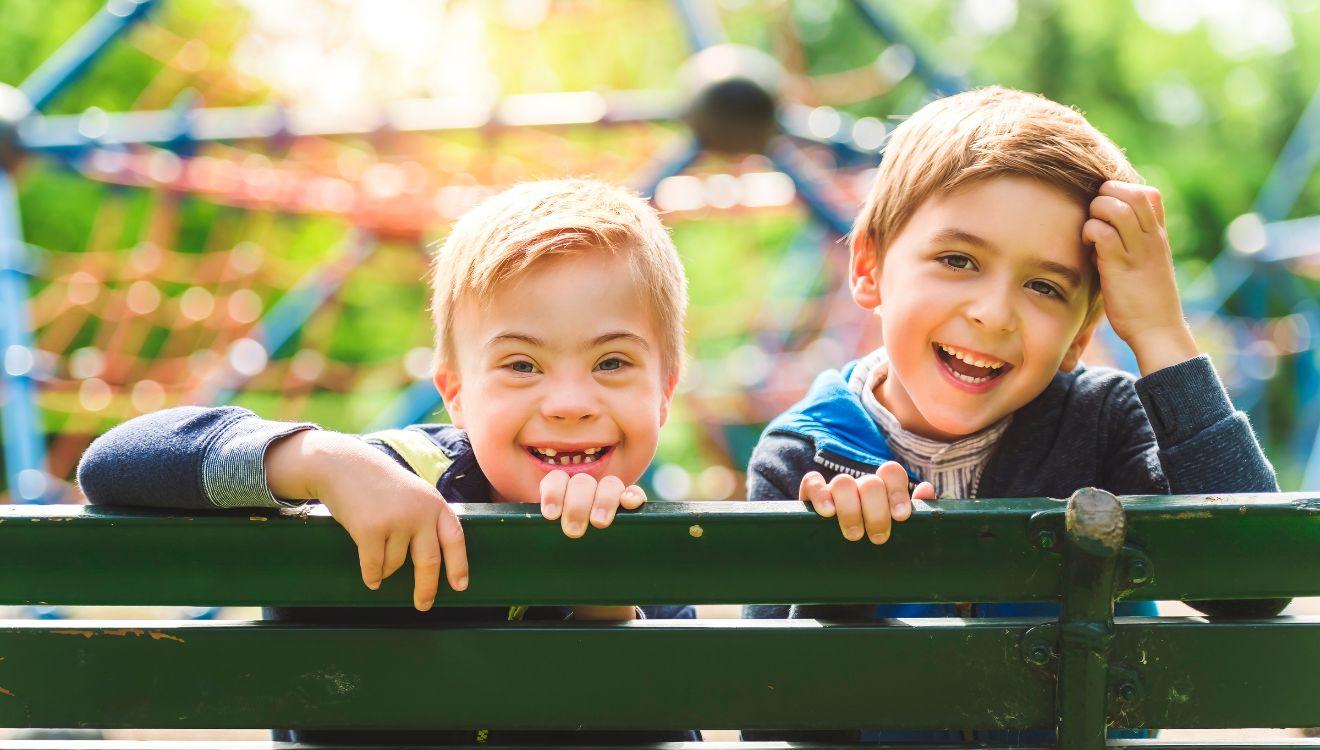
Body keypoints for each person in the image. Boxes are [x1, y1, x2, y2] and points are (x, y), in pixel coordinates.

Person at [743, 86, 1285, 743]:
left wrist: (1162, 334)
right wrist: (843, 577)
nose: (994, 313)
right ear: (869, 265)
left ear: (1079, 337)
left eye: (1044, 287)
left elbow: (1254, 588)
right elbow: (778, 720)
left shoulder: (1105, 424)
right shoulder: (805, 455)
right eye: (958, 260)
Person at [78, 178, 696, 744]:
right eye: (521, 365)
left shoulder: (659, 555)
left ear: (663, 392)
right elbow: (109, 465)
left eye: (611, 362)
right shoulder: (388, 477)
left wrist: (604, 611)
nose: (568, 404)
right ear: (455, 393)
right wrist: (314, 459)